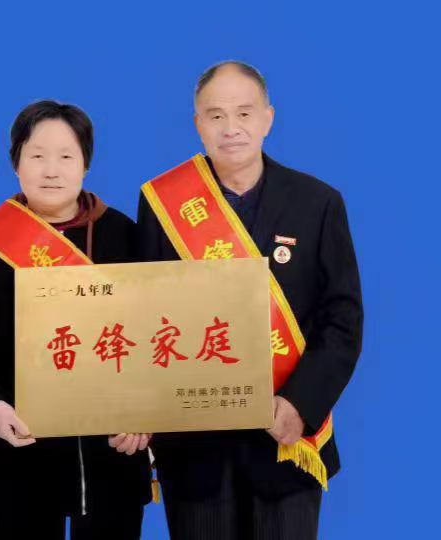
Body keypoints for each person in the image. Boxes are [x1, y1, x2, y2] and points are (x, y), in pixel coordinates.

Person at [121, 61, 363, 539]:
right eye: (216, 116)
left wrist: (300, 405)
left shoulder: (318, 202)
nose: (231, 128)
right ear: (198, 124)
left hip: (285, 439)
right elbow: (142, 315)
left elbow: (342, 319)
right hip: (193, 450)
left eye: (244, 113)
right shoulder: (162, 203)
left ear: (268, 118)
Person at [0, 100, 152, 540]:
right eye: (37, 155)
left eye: (66, 156)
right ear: (16, 162)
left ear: (86, 163)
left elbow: (158, 332)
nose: (51, 170)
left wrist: (146, 414)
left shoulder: (124, 235)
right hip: (21, 450)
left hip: (113, 451)